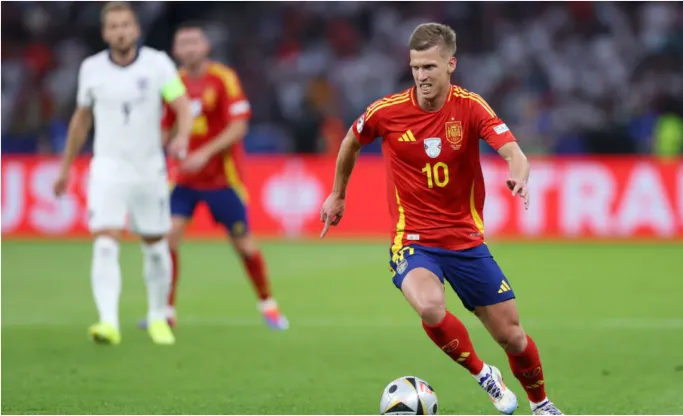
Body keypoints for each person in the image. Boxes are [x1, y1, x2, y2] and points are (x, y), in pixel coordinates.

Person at [319, 23, 562, 415]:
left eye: (430, 67)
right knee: (431, 307)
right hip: (412, 239)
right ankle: (484, 375)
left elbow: (514, 151)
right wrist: (338, 192)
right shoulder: (387, 112)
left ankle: (541, 404)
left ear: (451, 64)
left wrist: (518, 171)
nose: (421, 75)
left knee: (513, 337)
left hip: (465, 242)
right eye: (415, 67)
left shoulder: (470, 107)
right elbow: (351, 140)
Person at [53, 1, 193, 346]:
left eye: (125, 25)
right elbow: (81, 120)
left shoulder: (158, 64)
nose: (120, 31)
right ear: (105, 33)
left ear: (136, 29)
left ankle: (158, 316)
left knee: (156, 245)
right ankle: (108, 322)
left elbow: (182, 105)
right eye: (113, 26)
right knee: (104, 242)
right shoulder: (91, 69)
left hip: (149, 169)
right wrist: (66, 166)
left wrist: (183, 137)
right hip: (108, 169)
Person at [145, 21, 288, 331]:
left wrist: (204, 154)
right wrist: (161, 146)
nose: (189, 48)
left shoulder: (223, 79)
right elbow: (164, 126)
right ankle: (165, 311)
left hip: (223, 179)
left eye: (195, 42)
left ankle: (269, 305)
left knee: (244, 245)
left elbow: (239, 127)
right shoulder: (174, 82)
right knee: (168, 235)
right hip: (184, 179)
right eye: (183, 43)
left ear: (206, 47)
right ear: (175, 50)